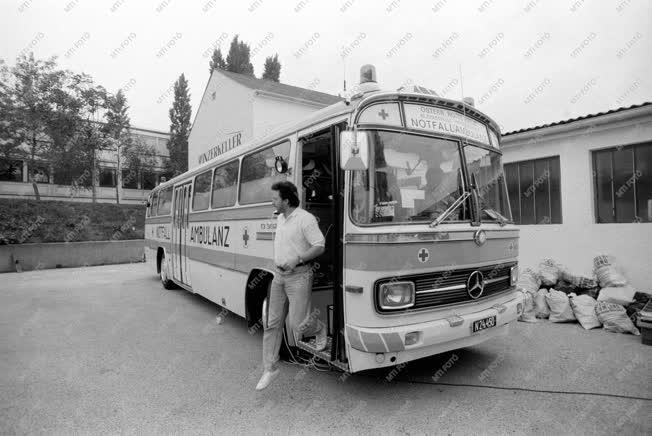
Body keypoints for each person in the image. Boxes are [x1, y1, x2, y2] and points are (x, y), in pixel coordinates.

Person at [256, 180, 327, 391]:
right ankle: (270, 368)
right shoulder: (280, 218)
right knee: (272, 323)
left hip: (299, 277)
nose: (272, 201)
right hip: (279, 277)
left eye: (275, 198)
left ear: (286, 200)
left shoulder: (305, 219)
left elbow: (319, 246)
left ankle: (320, 328)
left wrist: (298, 259)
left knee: (298, 326)